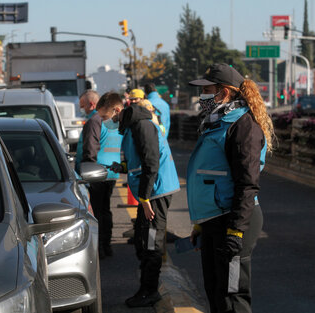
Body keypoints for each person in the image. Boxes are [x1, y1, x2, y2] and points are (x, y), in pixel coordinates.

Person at [187, 63, 274, 313]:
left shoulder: (243, 126)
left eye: (207, 90)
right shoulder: (217, 122)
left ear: (224, 92)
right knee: (215, 292)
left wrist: (236, 231)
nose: (202, 97)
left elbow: (247, 184)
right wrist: (200, 223)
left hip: (234, 220)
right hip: (215, 219)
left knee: (232, 297)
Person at [96, 92, 180, 307]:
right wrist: (121, 167)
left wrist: (144, 199)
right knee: (143, 242)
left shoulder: (141, 126)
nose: (104, 123)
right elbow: (139, 161)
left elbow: (151, 163)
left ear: (117, 111)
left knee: (151, 242)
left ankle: (150, 291)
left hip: (156, 193)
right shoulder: (132, 127)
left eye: (105, 118)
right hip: (151, 192)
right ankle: (146, 288)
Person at [75, 90, 122, 259]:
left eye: (83, 107)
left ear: (93, 104)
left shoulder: (95, 121)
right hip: (111, 172)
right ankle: (106, 245)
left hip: (96, 172)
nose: (83, 110)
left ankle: (100, 247)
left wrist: (86, 170)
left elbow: (90, 148)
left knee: (96, 211)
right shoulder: (113, 122)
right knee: (105, 209)